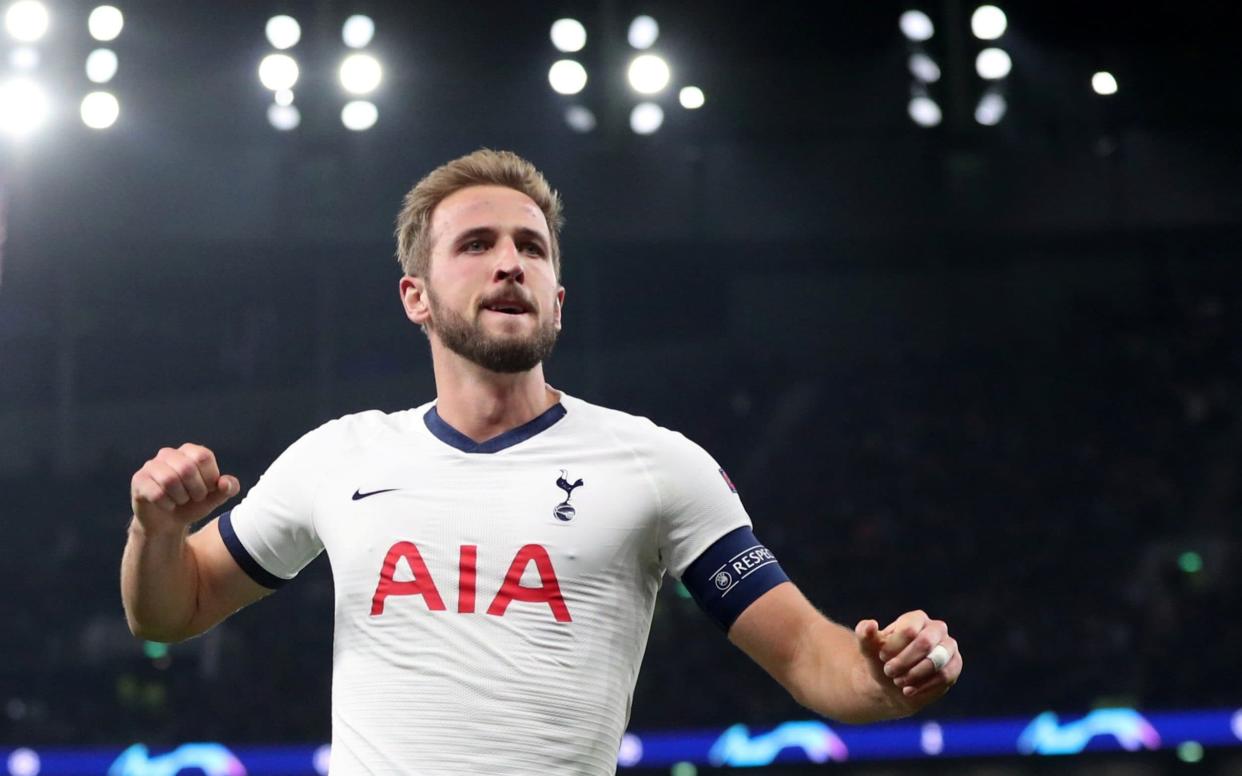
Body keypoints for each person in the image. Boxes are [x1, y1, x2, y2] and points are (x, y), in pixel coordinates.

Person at [120, 149, 962, 774]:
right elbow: (170, 609)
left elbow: (811, 658)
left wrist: (890, 672)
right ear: (415, 295)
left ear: (558, 297)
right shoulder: (339, 456)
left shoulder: (657, 465)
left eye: (532, 246)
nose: (510, 262)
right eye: (477, 244)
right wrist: (154, 531)